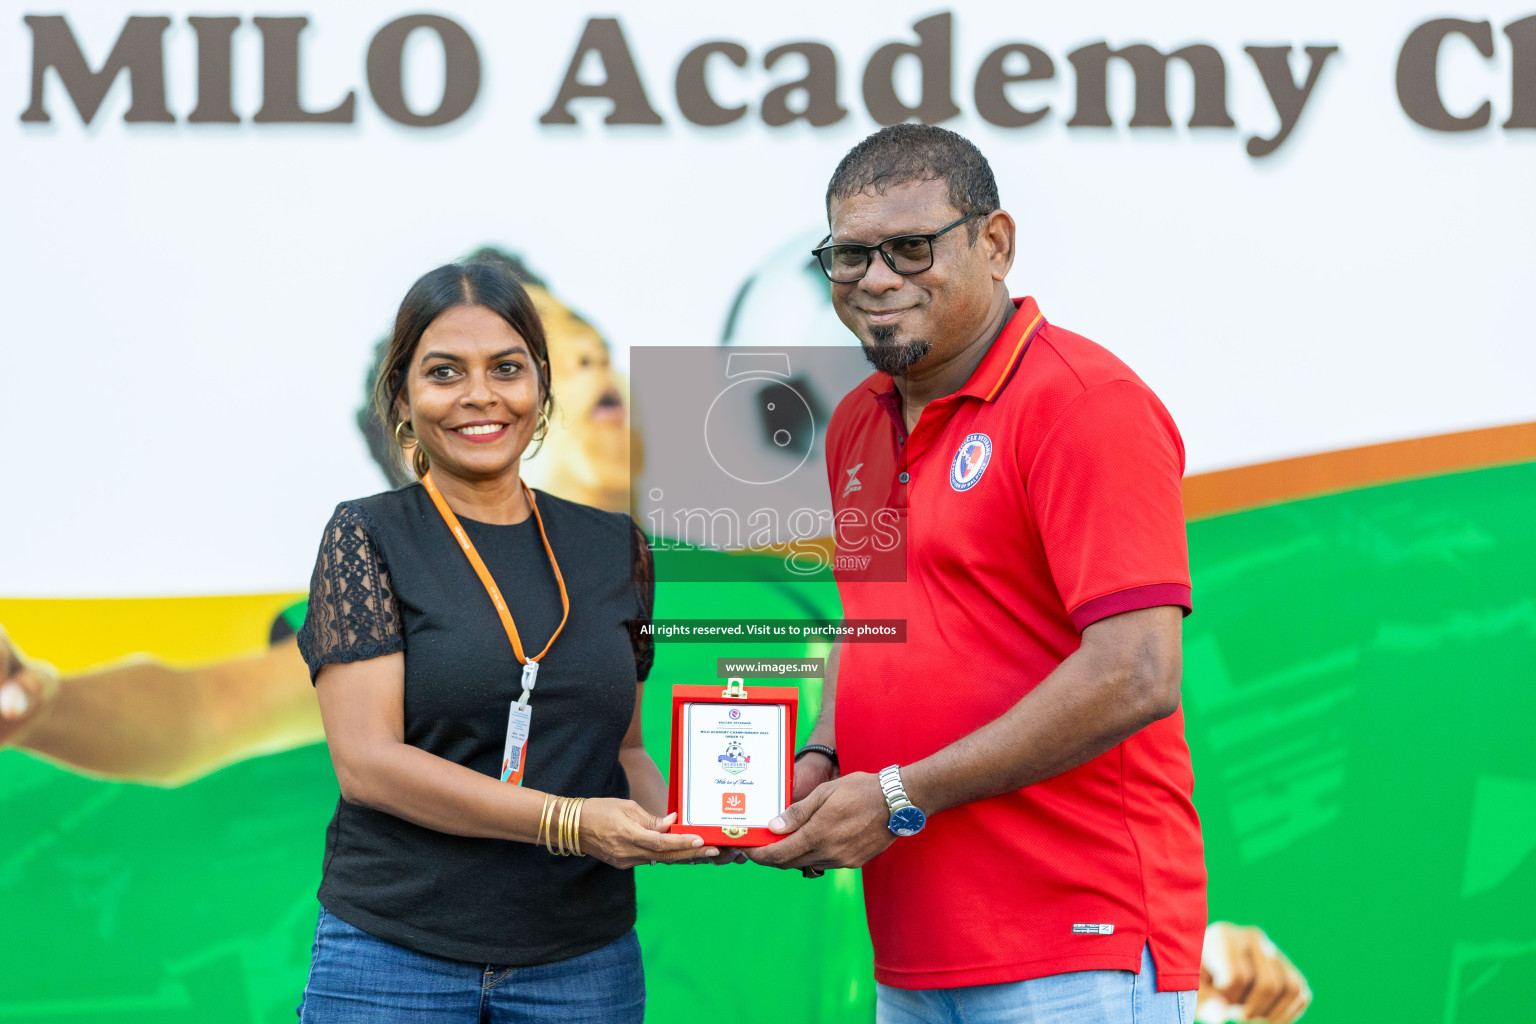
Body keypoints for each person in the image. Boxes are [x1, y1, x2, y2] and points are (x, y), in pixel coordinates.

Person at [750, 124, 1222, 1023]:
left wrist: (895, 797)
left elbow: (1139, 673)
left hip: (1081, 942)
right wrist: (824, 754)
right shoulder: (857, 420)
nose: (877, 279)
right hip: (918, 953)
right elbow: (870, 624)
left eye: (911, 248)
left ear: (995, 243)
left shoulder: (1084, 404)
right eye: (850, 257)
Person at [292, 256, 716, 1022]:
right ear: (403, 396)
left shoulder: (614, 546)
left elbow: (623, 753)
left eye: (507, 368)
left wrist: (709, 821)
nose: (480, 395)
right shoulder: (367, 536)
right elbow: (368, 765)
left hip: (582, 964)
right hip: (392, 959)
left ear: (539, 386)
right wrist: (568, 821)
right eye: (445, 372)